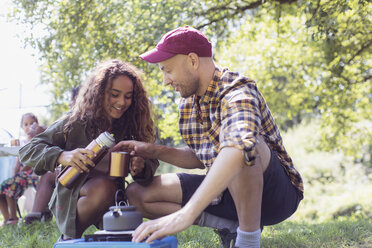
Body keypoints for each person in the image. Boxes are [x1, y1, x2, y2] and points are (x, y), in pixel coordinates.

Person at [113, 26, 304, 248]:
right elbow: (199, 157)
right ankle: (229, 226)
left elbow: (239, 146)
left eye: (168, 70)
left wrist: (185, 214)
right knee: (138, 193)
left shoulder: (236, 91)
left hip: (275, 197)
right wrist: (152, 150)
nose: (165, 80)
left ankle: (248, 240)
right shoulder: (188, 102)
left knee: (240, 144)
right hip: (227, 190)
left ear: (193, 61)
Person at [19, 59, 159, 240]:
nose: (122, 102)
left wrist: (141, 167)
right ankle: (69, 239)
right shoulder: (75, 122)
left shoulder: (132, 126)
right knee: (103, 187)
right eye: (114, 94)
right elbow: (28, 150)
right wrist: (62, 155)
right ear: (100, 93)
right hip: (75, 195)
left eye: (128, 96)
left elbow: (152, 161)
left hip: (116, 199)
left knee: (115, 191)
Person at [23, 85, 81, 225]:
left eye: (72, 100)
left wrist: (44, 131)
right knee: (48, 173)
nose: (69, 104)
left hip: (83, 169)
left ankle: (36, 216)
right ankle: (41, 213)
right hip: (81, 166)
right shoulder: (76, 117)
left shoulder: (77, 117)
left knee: (48, 176)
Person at [0, 113, 46, 226]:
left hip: (37, 172)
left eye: (31, 123)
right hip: (24, 175)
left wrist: (21, 171)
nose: (28, 126)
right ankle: (10, 218)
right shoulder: (21, 142)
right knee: (5, 187)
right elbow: (17, 161)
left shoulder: (39, 138)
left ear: (37, 125)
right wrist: (15, 173)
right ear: (22, 127)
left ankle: (41, 212)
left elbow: (34, 161)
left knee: (10, 186)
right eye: (25, 124)